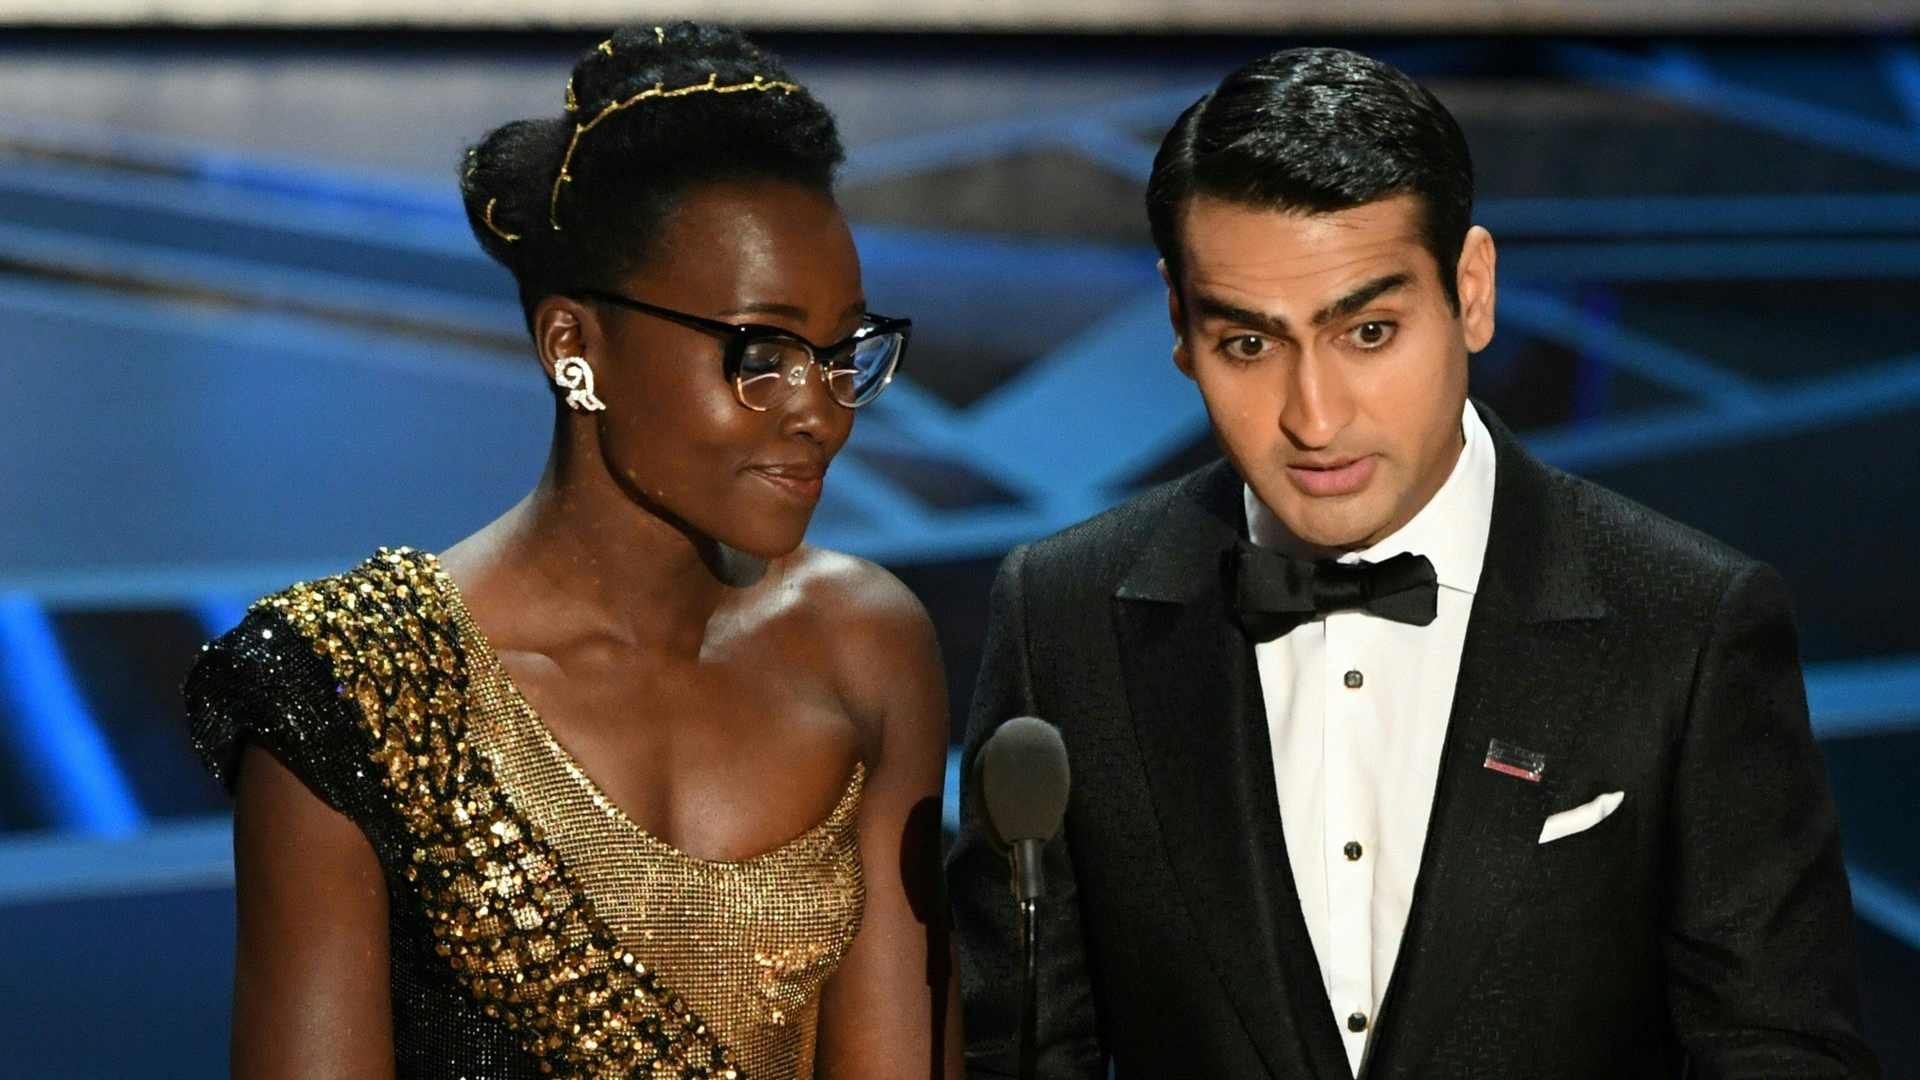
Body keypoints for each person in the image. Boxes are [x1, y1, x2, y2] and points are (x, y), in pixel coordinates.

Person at [947, 46, 1876, 1080]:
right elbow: (1017, 1052)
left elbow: (1779, 1052)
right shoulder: (1064, 617)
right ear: (1178, 325)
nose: (1315, 416)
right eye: (1249, 345)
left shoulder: (1689, 621)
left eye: (1370, 331)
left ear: (1471, 291)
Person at [186, 23, 962, 1080]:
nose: (819, 410)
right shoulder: (354, 688)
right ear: (574, 347)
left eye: (843, 352)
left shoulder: (864, 651)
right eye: (762, 352)